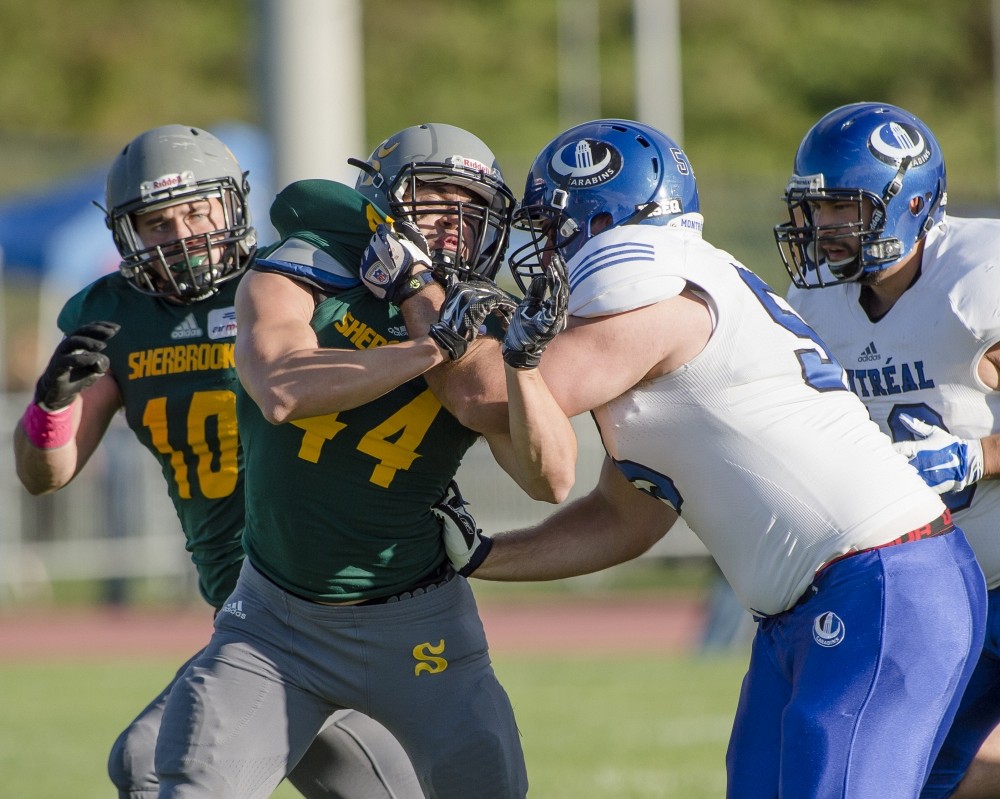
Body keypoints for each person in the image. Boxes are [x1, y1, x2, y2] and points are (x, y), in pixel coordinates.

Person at [437, 118, 989, 798]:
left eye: (554, 226)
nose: (542, 246)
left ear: (606, 221)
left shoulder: (656, 296)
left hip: (880, 581)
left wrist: (422, 295)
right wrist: (487, 554)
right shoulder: (666, 313)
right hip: (808, 604)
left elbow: (482, 393)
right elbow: (624, 516)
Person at [12, 124, 422, 799]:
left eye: (196, 209)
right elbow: (43, 473)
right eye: (157, 221)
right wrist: (48, 406)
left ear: (233, 204)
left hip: (330, 593)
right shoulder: (115, 316)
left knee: (151, 760)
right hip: (250, 608)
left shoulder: (296, 280)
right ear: (125, 234)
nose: (181, 233)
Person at [152, 123, 529, 799]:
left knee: (488, 785)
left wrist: (488, 345)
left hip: (419, 615)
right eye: (435, 199)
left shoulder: (490, 322)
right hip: (277, 618)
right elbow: (282, 387)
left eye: (471, 205)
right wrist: (427, 349)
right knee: (166, 772)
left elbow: (547, 474)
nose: (455, 222)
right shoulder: (303, 266)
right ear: (382, 209)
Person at [776, 101, 1000, 799]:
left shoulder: (978, 276)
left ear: (908, 201)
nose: (825, 228)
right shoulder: (814, 302)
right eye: (817, 210)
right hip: (931, 584)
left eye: (847, 207)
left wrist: (978, 458)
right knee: (909, 777)